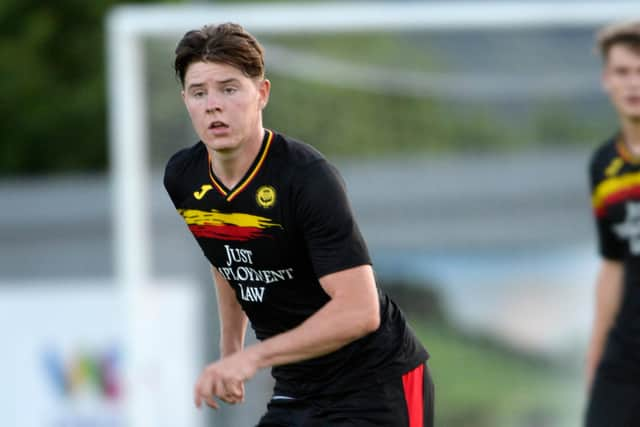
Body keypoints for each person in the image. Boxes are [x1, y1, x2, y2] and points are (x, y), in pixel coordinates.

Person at [163, 23, 434, 427]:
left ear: (262, 94)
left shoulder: (306, 177)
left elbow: (360, 311)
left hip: (376, 383)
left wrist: (251, 357)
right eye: (199, 92)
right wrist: (231, 349)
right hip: (298, 387)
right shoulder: (183, 177)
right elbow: (225, 254)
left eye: (229, 88)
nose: (213, 104)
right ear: (185, 99)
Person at [585, 20, 640, 426]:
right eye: (622, 72)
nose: (632, 84)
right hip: (625, 356)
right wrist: (595, 359)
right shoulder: (605, 164)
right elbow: (614, 264)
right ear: (607, 79)